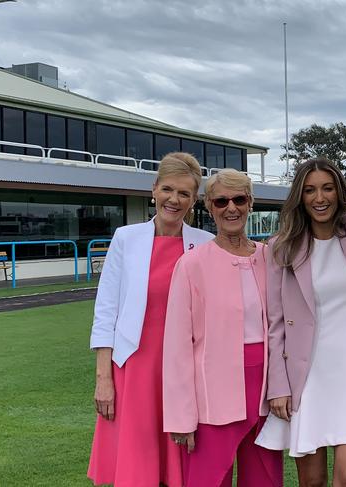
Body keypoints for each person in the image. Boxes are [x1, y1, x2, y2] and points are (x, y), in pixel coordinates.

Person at [255, 158, 346, 487]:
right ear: (300, 197)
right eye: (310, 190)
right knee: (313, 482)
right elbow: (275, 323)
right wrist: (278, 386)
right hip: (306, 376)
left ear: (339, 192)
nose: (320, 198)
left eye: (327, 188)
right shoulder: (281, 248)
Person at [87, 152, 214, 487]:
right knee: (137, 464)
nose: (174, 199)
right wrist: (104, 379)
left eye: (184, 193)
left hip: (184, 370)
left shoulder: (205, 244)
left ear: (194, 200)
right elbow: (106, 310)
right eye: (168, 189)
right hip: (134, 367)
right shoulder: (125, 238)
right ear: (154, 189)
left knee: (182, 463)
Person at [163, 169, 283, 487]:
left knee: (265, 479)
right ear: (209, 207)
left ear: (250, 204)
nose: (231, 207)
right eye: (221, 201)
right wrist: (180, 417)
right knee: (208, 479)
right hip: (212, 397)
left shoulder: (270, 257)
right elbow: (176, 346)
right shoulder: (192, 264)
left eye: (239, 199)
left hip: (266, 393)